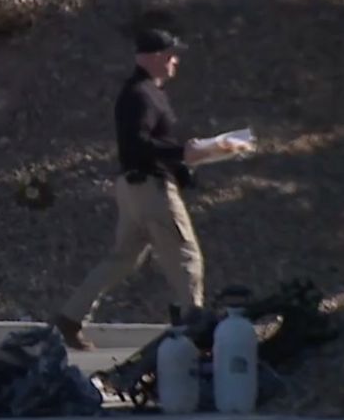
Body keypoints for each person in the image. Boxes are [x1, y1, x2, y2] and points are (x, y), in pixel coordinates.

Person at [51, 28, 243, 351]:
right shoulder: (142, 95)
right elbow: (137, 144)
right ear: (154, 58)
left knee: (122, 259)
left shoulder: (144, 93)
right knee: (186, 255)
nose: (175, 61)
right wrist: (183, 153)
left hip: (134, 188)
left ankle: (70, 318)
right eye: (170, 55)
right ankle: (193, 327)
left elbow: (150, 144)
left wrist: (190, 159)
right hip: (151, 187)